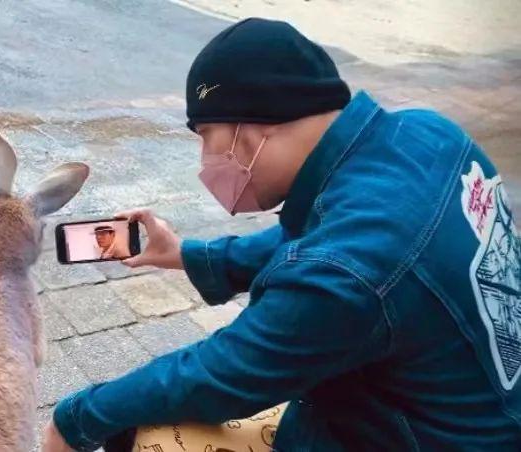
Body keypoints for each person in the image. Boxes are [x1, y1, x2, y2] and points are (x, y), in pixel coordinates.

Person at [42, 17, 521, 452]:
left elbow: (220, 375)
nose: (206, 161)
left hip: (410, 437)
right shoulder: (426, 132)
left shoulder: (344, 273)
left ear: (249, 135)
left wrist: (73, 420)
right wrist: (186, 255)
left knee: (134, 428)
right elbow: (327, 242)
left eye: (206, 136)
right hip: (467, 411)